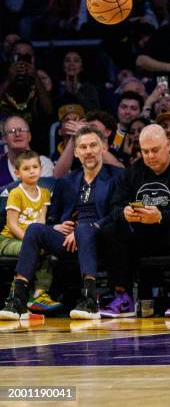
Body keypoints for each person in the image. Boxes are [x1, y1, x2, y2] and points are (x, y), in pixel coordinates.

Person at [0, 127, 123, 320]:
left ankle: (90, 300)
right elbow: (52, 217)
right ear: (75, 152)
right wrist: (55, 227)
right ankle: (18, 300)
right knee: (34, 229)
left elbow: (117, 213)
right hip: (69, 239)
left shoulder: (117, 177)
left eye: (93, 145)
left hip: (103, 237)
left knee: (84, 228)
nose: (88, 151)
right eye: (83, 147)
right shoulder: (67, 181)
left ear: (104, 148)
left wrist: (90, 228)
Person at [100, 125, 170, 318]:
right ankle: (122, 297)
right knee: (112, 230)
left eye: (155, 150)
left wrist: (161, 216)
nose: (149, 156)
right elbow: (114, 207)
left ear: (168, 146)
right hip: (140, 234)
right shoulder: (133, 172)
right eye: (145, 151)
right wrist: (124, 213)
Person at [0, 150, 56, 318]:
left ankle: (39, 294)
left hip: (29, 241)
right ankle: (13, 298)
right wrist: (31, 242)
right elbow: (12, 224)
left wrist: (38, 242)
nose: (32, 171)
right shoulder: (16, 193)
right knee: (30, 249)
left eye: (35, 167)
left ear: (41, 168)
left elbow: (41, 222)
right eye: (26, 168)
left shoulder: (45, 193)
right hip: (8, 240)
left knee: (45, 251)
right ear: (18, 173)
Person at [0, 115, 54, 187]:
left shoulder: (43, 163)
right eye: (12, 131)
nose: (17, 134)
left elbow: (39, 196)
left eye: (22, 130)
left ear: (29, 136)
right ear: (4, 138)